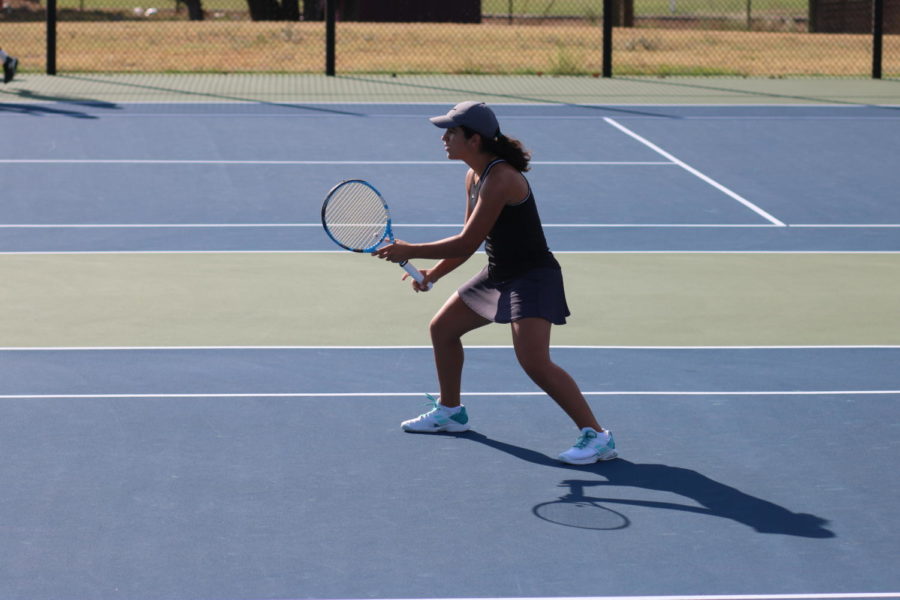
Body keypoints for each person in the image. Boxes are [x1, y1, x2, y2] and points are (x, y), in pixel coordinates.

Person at [373, 101, 617, 465]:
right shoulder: (474, 175)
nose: (444, 138)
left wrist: (411, 250)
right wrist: (433, 275)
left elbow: (467, 243)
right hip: (500, 272)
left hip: (532, 277)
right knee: (442, 329)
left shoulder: (502, 178)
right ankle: (451, 412)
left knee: (534, 362)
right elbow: (470, 240)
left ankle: (598, 437)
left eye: (451, 132)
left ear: (474, 139)